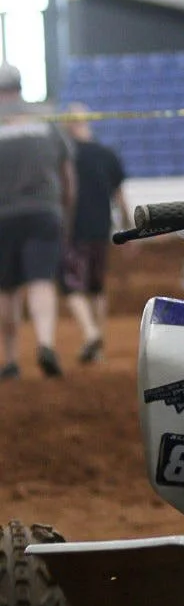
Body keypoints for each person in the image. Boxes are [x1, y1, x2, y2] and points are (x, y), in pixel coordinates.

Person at [0, 62, 73, 380]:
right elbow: (67, 171)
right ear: (20, 86)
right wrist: (66, 210)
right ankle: (45, 344)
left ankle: (11, 360)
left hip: (3, 215)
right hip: (45, 211)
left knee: (6, 290)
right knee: (42, 281)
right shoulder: (46, 118)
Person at [60, 116, 131, 363]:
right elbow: (120, 198)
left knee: (71, 286)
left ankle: (90, 333)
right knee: (96, 287)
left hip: (74, 230)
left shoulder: (66, 156)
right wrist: (129, 229)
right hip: (101, 229)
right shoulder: (107, 154)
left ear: (67, 127)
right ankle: (98, 346)